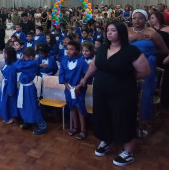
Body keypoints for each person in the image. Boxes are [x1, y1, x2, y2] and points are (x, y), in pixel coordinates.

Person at [77, 21, 150, 166]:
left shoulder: (131, 51)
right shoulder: (103, 48)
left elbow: (145, 71)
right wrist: (84, 79)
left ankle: (128, 152)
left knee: (124, 119)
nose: (109, 33)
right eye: (108, 30)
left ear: (121, 32)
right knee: (103, 116)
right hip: (101, 92)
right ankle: (106, 141)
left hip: (123, 93)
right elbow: (94, 65)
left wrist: (124, 78)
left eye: (113, 30)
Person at [128, 10, 169, 121]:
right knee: (127, 92)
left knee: (144, 93)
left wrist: (150, 52)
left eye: (140, 18)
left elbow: (164, 51)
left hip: (147, 66)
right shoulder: (127, 31)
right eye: (134, 18)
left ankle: (143, 119)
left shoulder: (152, 33)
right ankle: (129, 118)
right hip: (128, 65)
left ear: (146, 20)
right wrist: (135, 39)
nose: (137, 20)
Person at [14, 47, 48, 135]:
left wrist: (20, 59)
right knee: (23, 105)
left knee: (33, 107)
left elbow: (16, 66)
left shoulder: (32, 63)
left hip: (29, 88)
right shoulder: (28, 61)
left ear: (31, 57)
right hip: (23, 87)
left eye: (25, 57)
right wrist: (22, 59)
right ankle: (28, 120)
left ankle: (42, 126)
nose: (23, 58)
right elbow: (17, 67)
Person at [59, 41, 89, 140]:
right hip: (68, 89)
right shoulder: (64, 61)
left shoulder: (81, 62)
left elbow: (87, 76)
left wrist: (78, 86)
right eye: (67, 49)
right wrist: (70, 88)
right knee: (72, 107)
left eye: (71, 49)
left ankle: (83, 130)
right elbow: (62, 77)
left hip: (79, 89)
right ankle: (75, 127)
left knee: (80, 107)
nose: (68, 51)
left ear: (77, 50)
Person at [149, 10, 169, 108]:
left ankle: (165, 103)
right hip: (153, 58)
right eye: (150, 18)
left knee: (165, 81)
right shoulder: (149, 30)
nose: (151, 20)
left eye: (152, 18)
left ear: (158, 18)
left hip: (166, 58)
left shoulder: (167, 29)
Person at [0, 46, 18, 124]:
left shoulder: (11, 66)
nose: (3, 54)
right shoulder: (7, 63)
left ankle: (12, 117)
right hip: (5, 84)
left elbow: (11, 79)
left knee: (10, 101)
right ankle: (6, 115)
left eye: (4, 53)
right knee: (5, 101)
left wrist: (10, 90)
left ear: (9, 54)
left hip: (9, 86)